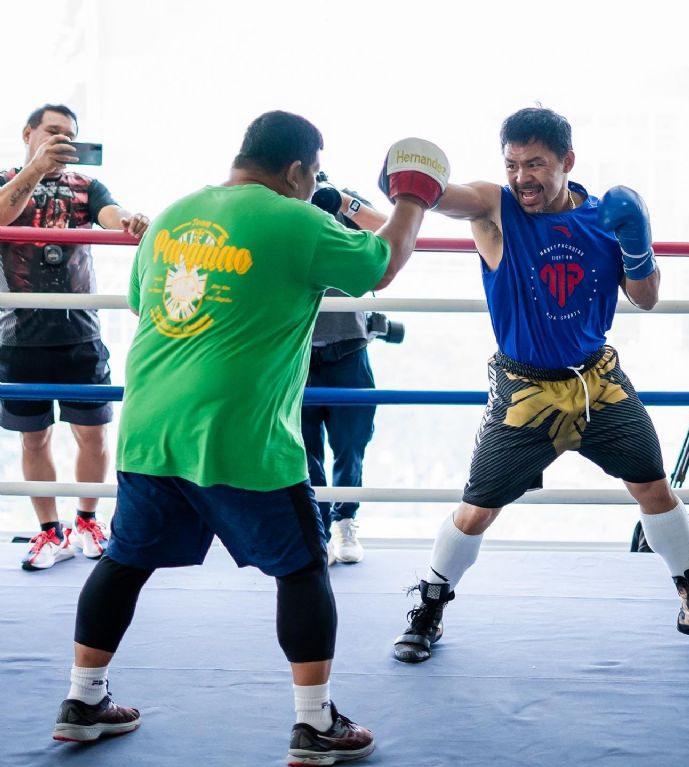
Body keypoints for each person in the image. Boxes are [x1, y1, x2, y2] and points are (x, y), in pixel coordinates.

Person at [51, 113, 449, 766]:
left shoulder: (176, 215)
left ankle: (82, 699)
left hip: (151, 427)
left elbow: (142, 303)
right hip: (240, 436)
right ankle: (315, 722)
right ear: (297, 171)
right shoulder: (297, 220)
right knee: (301, 565)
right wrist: (413, 195)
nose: (314, 183)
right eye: (313, 173)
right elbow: (383, 263)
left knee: (125, 559)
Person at [391, 107, 689, 666]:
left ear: (567, 162)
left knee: (654, 488)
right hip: (525, 393)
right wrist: (412, 184)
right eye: (512, 164)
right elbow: (446, 196)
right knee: (477, 509)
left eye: (535, 164)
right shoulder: (496, 207)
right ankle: (429, 608)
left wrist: (637, 245)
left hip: (597, 383)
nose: (522, 177)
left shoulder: (605, 218)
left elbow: (646, 297)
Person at [0, 103, 149, 571]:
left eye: (69, 135)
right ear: (29, 132)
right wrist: (37, 168)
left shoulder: (85, 186)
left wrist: (131, 221)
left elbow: (111, 213)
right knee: (34, 440)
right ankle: (49, 533)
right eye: (53, 132)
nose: (62, 141)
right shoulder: (5, 178)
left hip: (79, 332)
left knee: (94, 435)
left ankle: (87, 521)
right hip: (18, 335)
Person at [304, 184, 388, 564]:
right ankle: (316, 529)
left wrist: (340, 201)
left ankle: (345, 521)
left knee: (351, 445)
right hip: (296, 354)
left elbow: (388, 230)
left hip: (349, 349)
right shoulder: (280, 212)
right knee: (302, 450)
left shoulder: (343, 203)